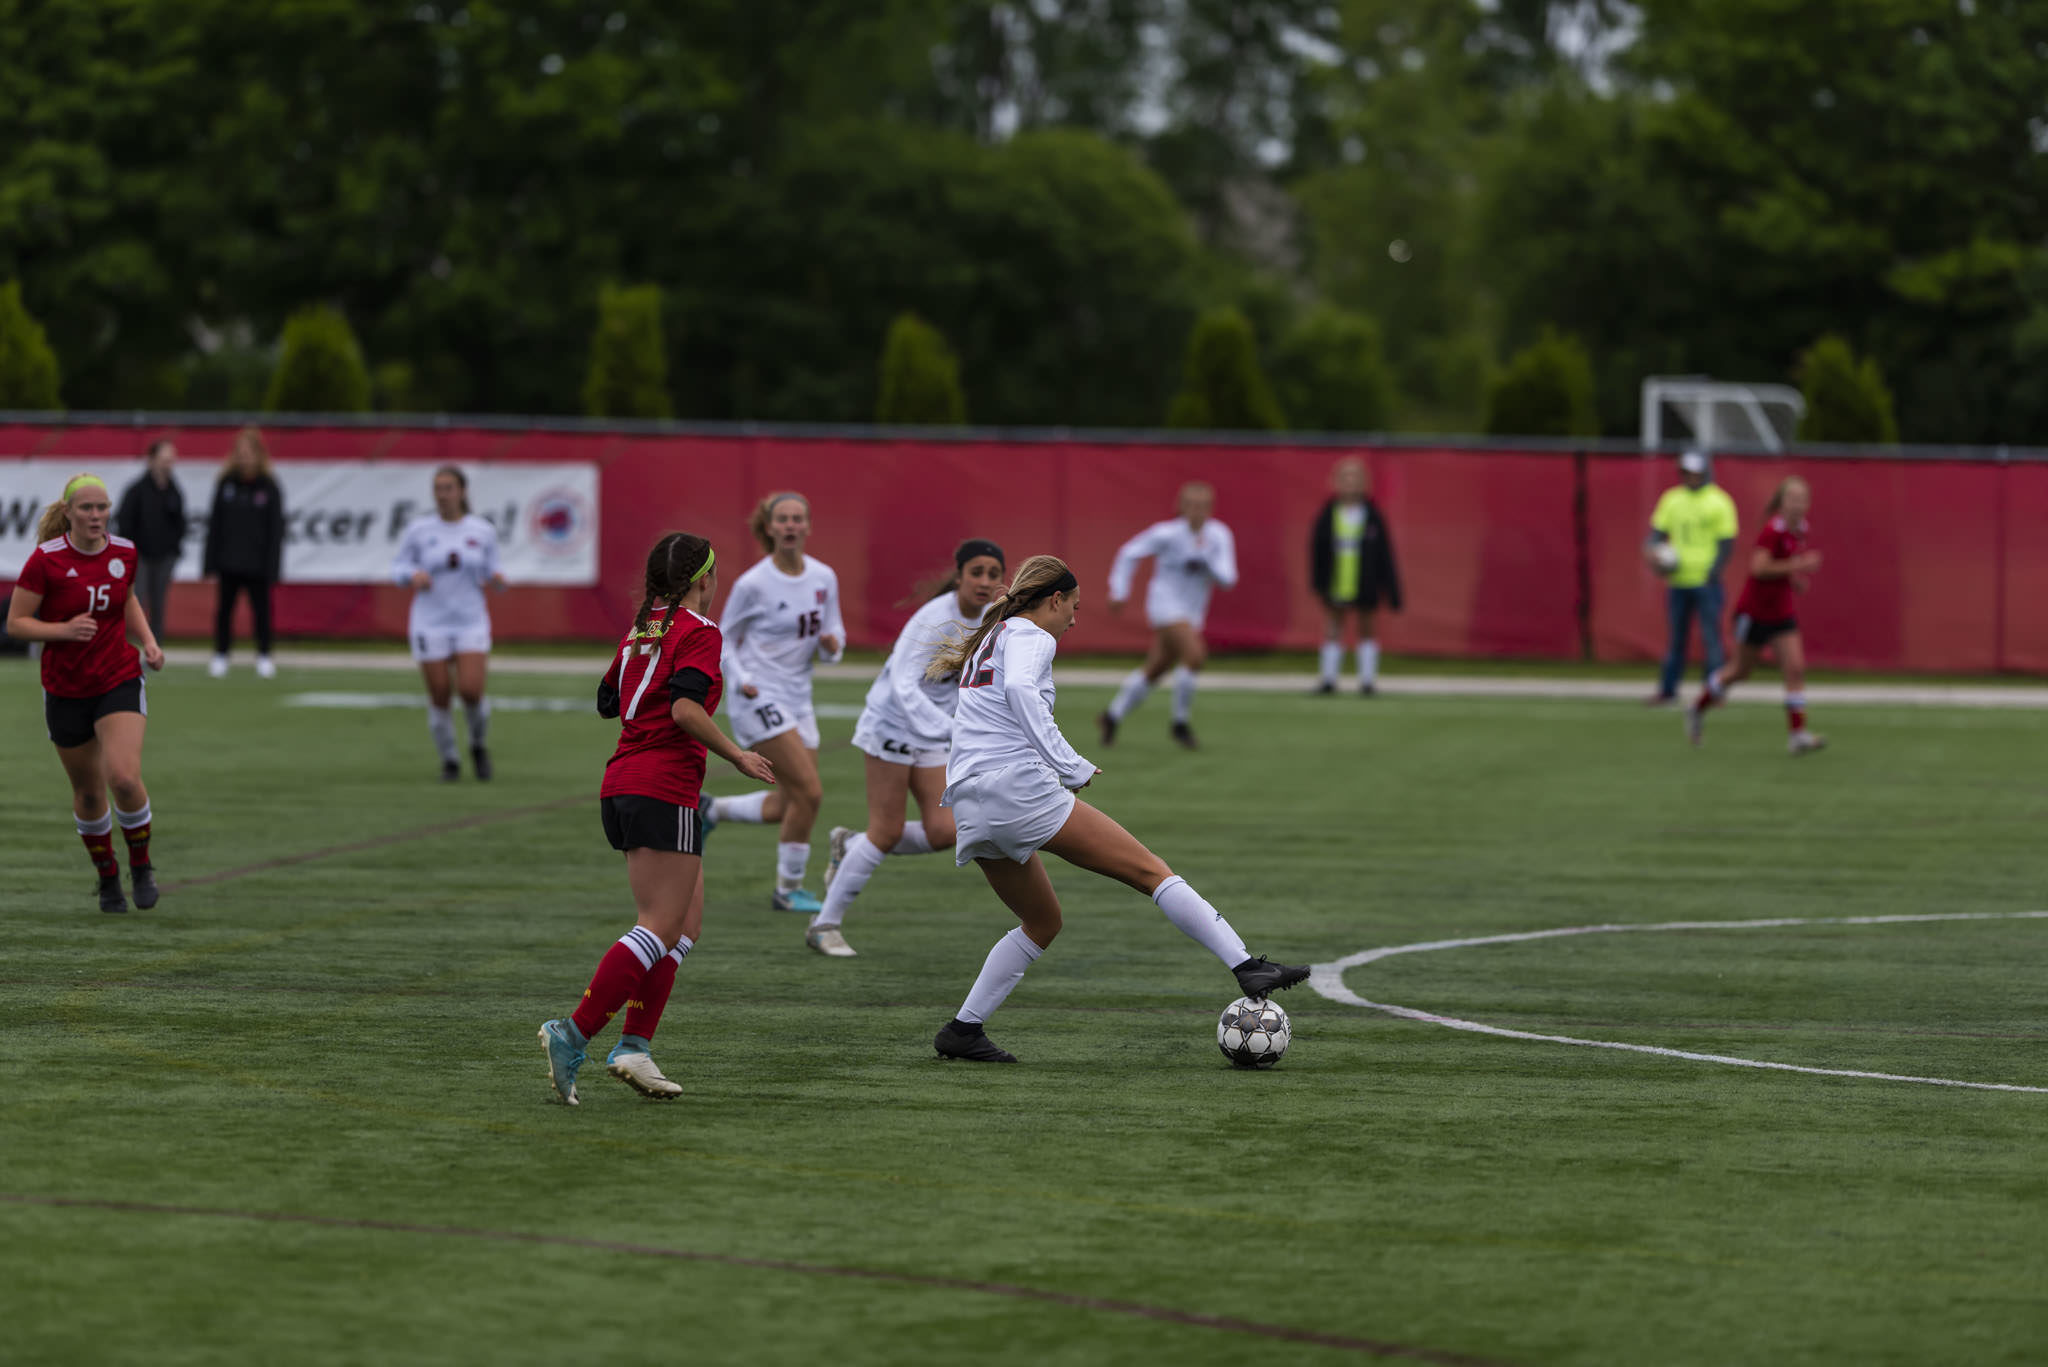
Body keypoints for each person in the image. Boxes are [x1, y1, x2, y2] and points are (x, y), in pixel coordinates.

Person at [926, 554, 1309, 1063]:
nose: (1075, 620)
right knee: (1152, 873)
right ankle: (1246, 965)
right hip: (1016, 789)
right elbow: (1020, 691)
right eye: (1074, 607)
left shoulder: (995, 634)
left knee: (1042, 922)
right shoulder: (1032, 635)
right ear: (1055, 600)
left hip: (970, 799)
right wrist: (1068, 764)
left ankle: (963, 1030)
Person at [537, 532, 777, 1105]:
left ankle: (635, 1046)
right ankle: (572, 1033)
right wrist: (738, 754)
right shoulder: (699, 632)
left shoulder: (643, 627)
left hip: (630, 784)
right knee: (657, 925)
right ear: (703, 580)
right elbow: (684, 707)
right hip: (658, 786)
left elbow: (608, 700)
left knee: (684, 927)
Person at [809, 538, 1008, 958]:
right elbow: (903, 686)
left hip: (933, 732)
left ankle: (851, 845)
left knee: (944, 832)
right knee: (887, 831)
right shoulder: (934, 620)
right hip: (893, 723)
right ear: (959, 576)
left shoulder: (994, 619)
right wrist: (950, 730)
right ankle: (824, 924)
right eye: (977, 572)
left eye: (994, 574)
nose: (985, 581)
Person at [6, 473, 167, 914]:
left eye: (102, 507)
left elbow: (127, 600)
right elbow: (16, 622)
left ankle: (141, 865)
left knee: (125, 778)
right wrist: (62, 630)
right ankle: (107, 876)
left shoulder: (125, 553)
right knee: (90, 793)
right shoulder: (46, 560)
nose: (96, 516)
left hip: (116, 676)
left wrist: (148, 642)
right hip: (65, 687)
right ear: (69, 512)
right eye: (86, 508)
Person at [699, 492, 843, 913]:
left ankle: (711, 809)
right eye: (783, 519)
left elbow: (833, 635)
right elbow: (722, 637)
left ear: (808, 526)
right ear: (769, 527)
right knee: (811, 794)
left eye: (798, 518)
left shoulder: (823, 577)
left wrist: (832, 647)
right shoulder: (753, 583)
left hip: (800, 697)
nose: (791, 526)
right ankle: (787, 889)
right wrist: (741, 680)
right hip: (760, 696)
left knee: (789, 802)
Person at [1687, 476, 1826, 755]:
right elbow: (1758, 568)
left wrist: (1793, 578)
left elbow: (1780, 567)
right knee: (1739, 672)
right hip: (1753, 613)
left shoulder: (1800, 530)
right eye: (1792, 499)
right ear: (1781, 503)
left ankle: (1797, 735)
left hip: (1781, 613)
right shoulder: (1772, 530)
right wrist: (1798, 565)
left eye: (1802, 500)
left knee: (1795, 669)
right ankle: (1697, 707)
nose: (1797, 505)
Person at [1097, 482, 1238, 750]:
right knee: (1195, 655)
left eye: (1204, 506)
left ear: (1211, 509)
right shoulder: (1167, 534)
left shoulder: (1219, 535)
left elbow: (1228, 579)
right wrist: (1119, 590)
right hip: (1164, 606)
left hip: (1193, 612)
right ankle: (1180, 723)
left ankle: (1111, 716)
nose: (1197, 511)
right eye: (1192, 505)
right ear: (1181, 507)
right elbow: (1129, 553)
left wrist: (1208, 562)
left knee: (1157, 668)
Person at [391, 466, 507, 781]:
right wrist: (411, 575)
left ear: (462, 491)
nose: (443, 495)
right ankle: (450, 760)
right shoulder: (419, 530)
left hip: (470, 620)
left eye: (449, 488)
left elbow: (493, 570)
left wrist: (497, 579)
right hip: (430, 622)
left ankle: (478, 745)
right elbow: (398, 567)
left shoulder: (481, 530)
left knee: (470, 690)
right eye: (438, 488)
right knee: (440, 693)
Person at [1643, 450, 1738, 705]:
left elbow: (1726, 544)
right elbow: (1655, 535)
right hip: (1678, 581)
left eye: (1696, 472)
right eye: (1687, 472)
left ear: (1705, 472)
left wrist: (1713, 572)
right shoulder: (1672, 499)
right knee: (1676, 640)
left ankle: (1714, 692)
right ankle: (1668, 690)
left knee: (1711, 640)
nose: (1691, 477)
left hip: (1706, 583)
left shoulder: (1719, 501)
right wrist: (1653, 555)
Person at [1308, 456, 1402, 695]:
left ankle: (1367, 681)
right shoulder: (1328, 514)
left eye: (1355, 478)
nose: (1350, 483)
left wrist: (1390, 588)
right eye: (1345, 478)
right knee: (1333, 626)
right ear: (1336, 482)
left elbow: (1384, 553)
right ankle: (1329, 679)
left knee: (1367, 626)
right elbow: (1317, 550)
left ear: (1364, 483)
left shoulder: (1373, 515)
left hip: (1365, 580)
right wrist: (1318, 581)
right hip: (1337, 580)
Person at [203, 426, 286, 679]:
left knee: (262, 612)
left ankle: (263, 656)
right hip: (228, 562)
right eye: (240, 452)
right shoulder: (225, 484)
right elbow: (214, 525)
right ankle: (221, 655)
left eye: (249, 453)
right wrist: (210, 561)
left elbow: (276, 530)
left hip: (258, 564)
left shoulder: (269, 487)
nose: (244, 457)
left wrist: (273, 566)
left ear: (259, 455)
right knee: (224, 610)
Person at [115, 438, 188, 642]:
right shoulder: (136, 490)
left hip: (165, 557)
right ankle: (129, 642)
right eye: (164, 459)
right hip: (141, 556)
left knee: (159, 602)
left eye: (170, 460)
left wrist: (173, 548)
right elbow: (125, 521)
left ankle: (155, 645)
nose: (167, 464)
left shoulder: (174, 491)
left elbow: (180, 523)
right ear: (152, 460)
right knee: (136, 600)